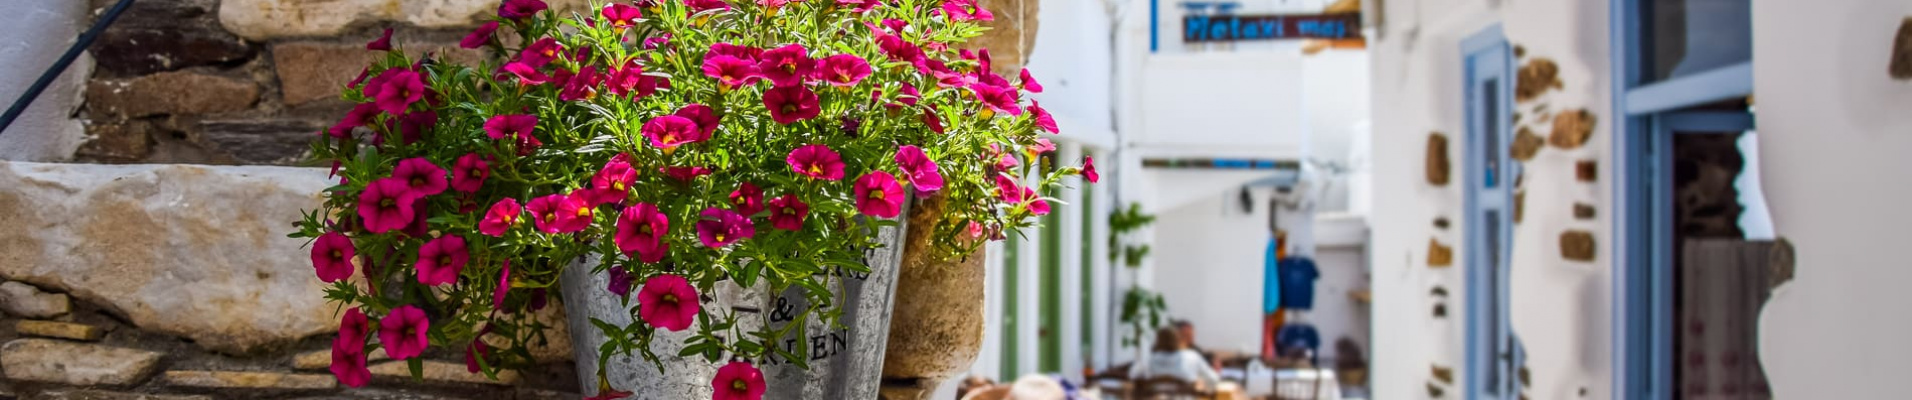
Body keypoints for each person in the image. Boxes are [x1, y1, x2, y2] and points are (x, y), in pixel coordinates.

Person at [1129, 326, 1221, 390]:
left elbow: (1132, 375)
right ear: (1178, 339)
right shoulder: (1191, 356)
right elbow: (1213, 379)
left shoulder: (1149, 359)